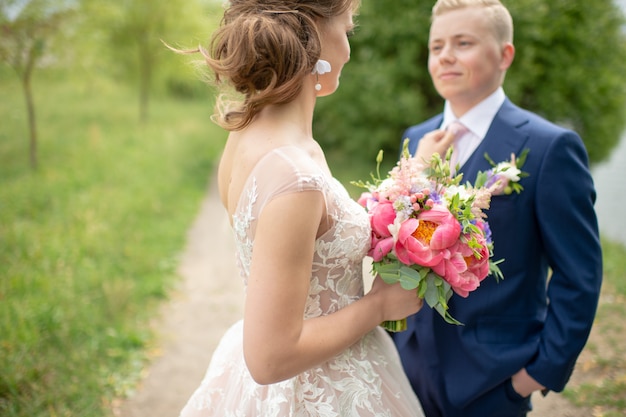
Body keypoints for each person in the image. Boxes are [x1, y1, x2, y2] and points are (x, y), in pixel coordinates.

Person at [176, 1, 435, 415]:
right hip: (317, 391)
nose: (349, 50)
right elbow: (270, 357)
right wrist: (380, 305)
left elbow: (316, 234)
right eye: (347, 30)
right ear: (312, 34)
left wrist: (412, 177)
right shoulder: (295, 175)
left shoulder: (248, 134)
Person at [393, 0, 603, 416]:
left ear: (505, 54)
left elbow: (579, 276)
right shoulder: (416, 138)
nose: (445, 56)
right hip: (406, 369)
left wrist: (537, 374)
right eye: (436, 47)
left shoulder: (548, 147)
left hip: (493, 380)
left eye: (463, 42)